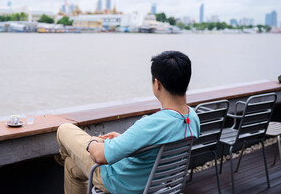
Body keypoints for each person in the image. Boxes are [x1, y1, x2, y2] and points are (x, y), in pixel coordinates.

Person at [56, 50, 200, 194]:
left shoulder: (152, 124)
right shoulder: (192, 117)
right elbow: (153, 144)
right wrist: (123, 140)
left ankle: (64, 155)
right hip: (154, 182)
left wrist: (91, 141)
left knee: (64, 129)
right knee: (71, 166)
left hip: (121, 183)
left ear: (157, 84)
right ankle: (67, 157)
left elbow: (99, 156)